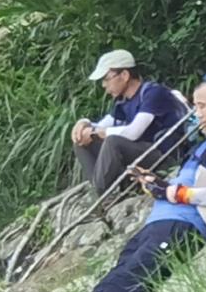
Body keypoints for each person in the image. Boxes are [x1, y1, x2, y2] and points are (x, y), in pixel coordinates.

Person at [3, 77, 206, 292]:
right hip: (160, 223)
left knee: (125, 282)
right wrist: (156, 184)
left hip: (181, 227)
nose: (196, 113)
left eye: (201, 106)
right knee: (116, 278)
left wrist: (171, 191)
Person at [73, 48, 181, 192]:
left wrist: (100, 132)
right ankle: (100, 190)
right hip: (141, 154)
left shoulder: (152, 93)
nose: (104, 85)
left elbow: (133, 132)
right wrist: (83, 124)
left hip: (164, 157)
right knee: (81, 141)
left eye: (106, 79)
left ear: (124, 75)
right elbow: (101, 125)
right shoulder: (124, 101)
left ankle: (100, 193)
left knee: (113, 142)